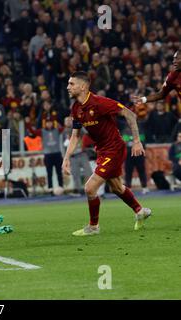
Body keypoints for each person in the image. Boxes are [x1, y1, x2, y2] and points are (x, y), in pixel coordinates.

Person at [63, 71, 151, 236]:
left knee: (89, 188)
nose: (68, 87)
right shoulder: (76, 109)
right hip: (102, 150)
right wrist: (66, 158)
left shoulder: (100, 103)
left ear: (83, 86)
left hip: (115, 149)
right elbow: (75, 136)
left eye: (71, 84)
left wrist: (137, 141)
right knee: (117, 187)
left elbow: (130, 115)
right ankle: (140, 211)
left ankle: (94, 227)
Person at [62, 116, 92, 195]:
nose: (68, 122)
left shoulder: (78, 128)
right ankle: (79, 190)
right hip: (73, 156)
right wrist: (65, 157)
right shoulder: (63, 133)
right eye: (66, 121)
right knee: (76, 174)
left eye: (69, 120)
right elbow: (62, 146)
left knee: (88, 172)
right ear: (64, 123)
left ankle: (90, 188)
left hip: (82, 153)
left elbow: (87, 134)